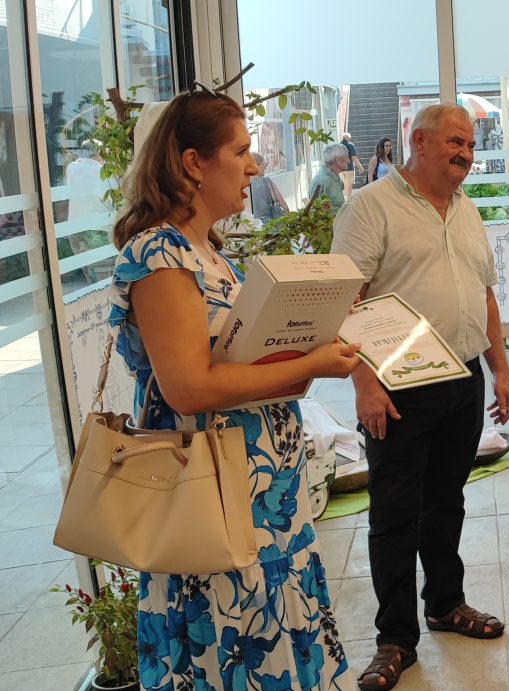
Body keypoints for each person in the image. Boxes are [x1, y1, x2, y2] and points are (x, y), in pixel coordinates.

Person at [109, 89, 361, 691]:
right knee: (234, 651)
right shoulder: (161, 255)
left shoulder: (207, 250)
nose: (254, 166)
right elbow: (189, 387)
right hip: (214, 496)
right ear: (193, 163)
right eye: (242, 151)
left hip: (262, 494)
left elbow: (240, 361)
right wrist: (310, 365)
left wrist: (312, 336)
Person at [333, 103, 509, 691]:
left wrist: (500, 371)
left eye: (471, 144)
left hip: (463, 378)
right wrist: (364, 385)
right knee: (394, 514)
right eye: (456, 142)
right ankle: (394, 638)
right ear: (419, 141)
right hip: (397, 387)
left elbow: (485, 296)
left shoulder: (467, 209)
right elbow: (347, 301)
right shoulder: (371, 208)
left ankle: (445, 603)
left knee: (446, 502)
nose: (467, 153)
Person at [248, 152, 289, 222]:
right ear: (256, 166)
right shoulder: (267, 181)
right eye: (263, 165)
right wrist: (288, 217)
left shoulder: (244, 185)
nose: (265, 168)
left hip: (254, 224)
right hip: (270, 224)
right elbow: (283, 204)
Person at [310, 142, 348, 212]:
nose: (348, 161)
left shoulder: (334, 176)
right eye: (346, 157)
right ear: (338, 161)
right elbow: (318, 212)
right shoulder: (323, 182)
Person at [340, 132, 362, 198]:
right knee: (349, 184)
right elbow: (354, 157)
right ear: (348, 138)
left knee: (345, 183)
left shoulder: (338, 146)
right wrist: (360, 167)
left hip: (340, 169)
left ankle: (345, 198)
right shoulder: (351, 145)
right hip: (349, 168)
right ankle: (349, 198)